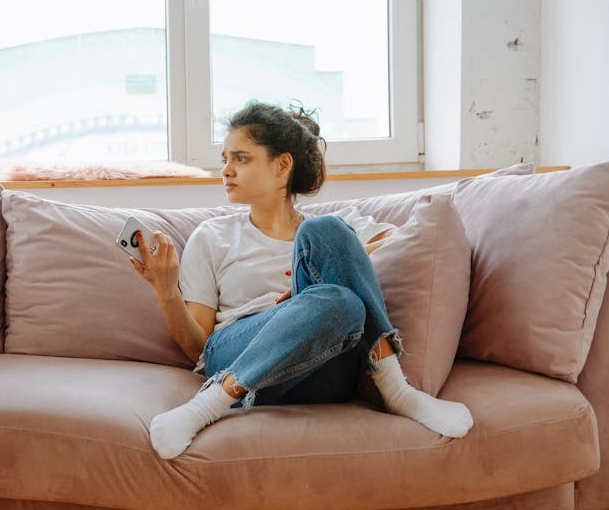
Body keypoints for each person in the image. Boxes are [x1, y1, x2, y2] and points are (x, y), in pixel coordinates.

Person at [129, 101, 474, 460]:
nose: (226, 171)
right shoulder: (212, 235)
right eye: (224, 159)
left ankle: (396, 391)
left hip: (323, 366)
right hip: (239, 351)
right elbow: (197, 346)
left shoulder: (333, 226)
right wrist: (166, 289)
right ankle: (206, 407)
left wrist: (306, 299)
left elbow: (401, 241)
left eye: (241, 159)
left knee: (334, 270)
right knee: (334, 285)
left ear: (281, 166)